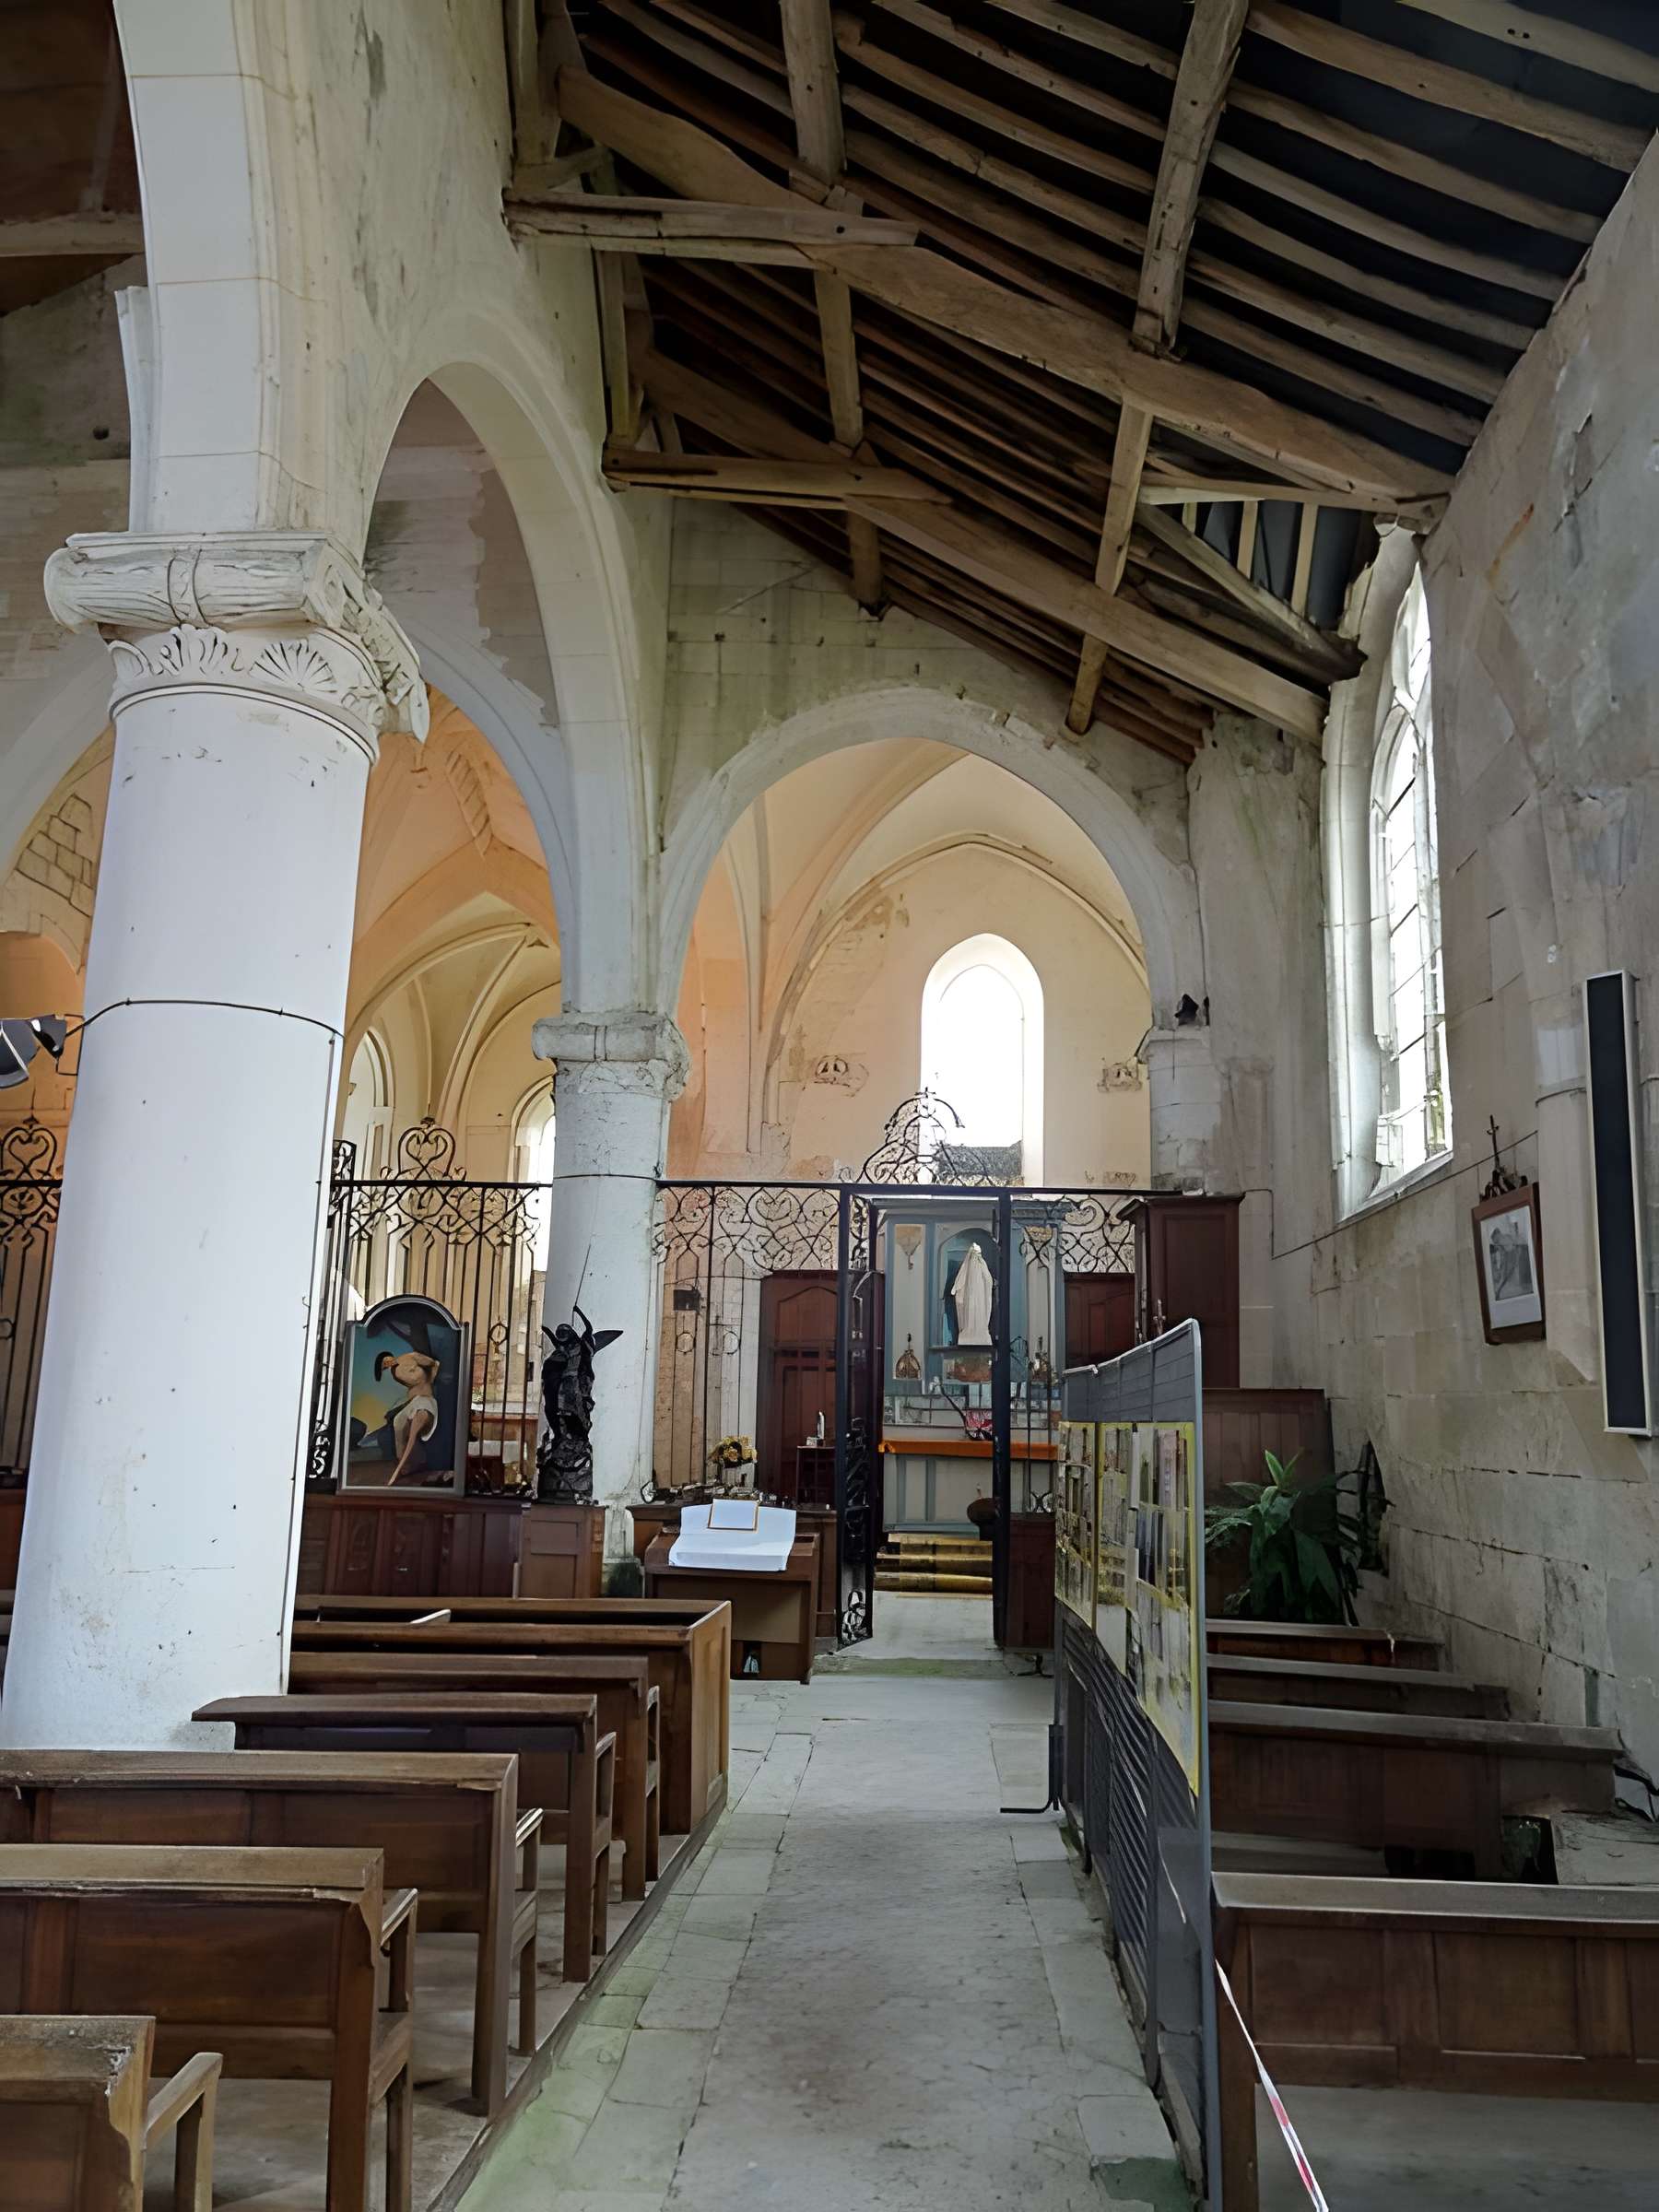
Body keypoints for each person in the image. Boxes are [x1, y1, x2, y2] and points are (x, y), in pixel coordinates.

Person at [377, 1347, 441, 1483]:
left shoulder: (411, 1357)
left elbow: (434, 1364)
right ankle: (407, 1464)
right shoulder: (396, 1373)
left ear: (390, 1356)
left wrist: (431, 1379)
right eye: (384, 1365)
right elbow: (410, 1386)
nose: (387, 1364)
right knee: (398, 1424)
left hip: (425, 1400)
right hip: (414, 1401)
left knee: (413, 1433)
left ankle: (399, 1470)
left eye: (387, 1360)